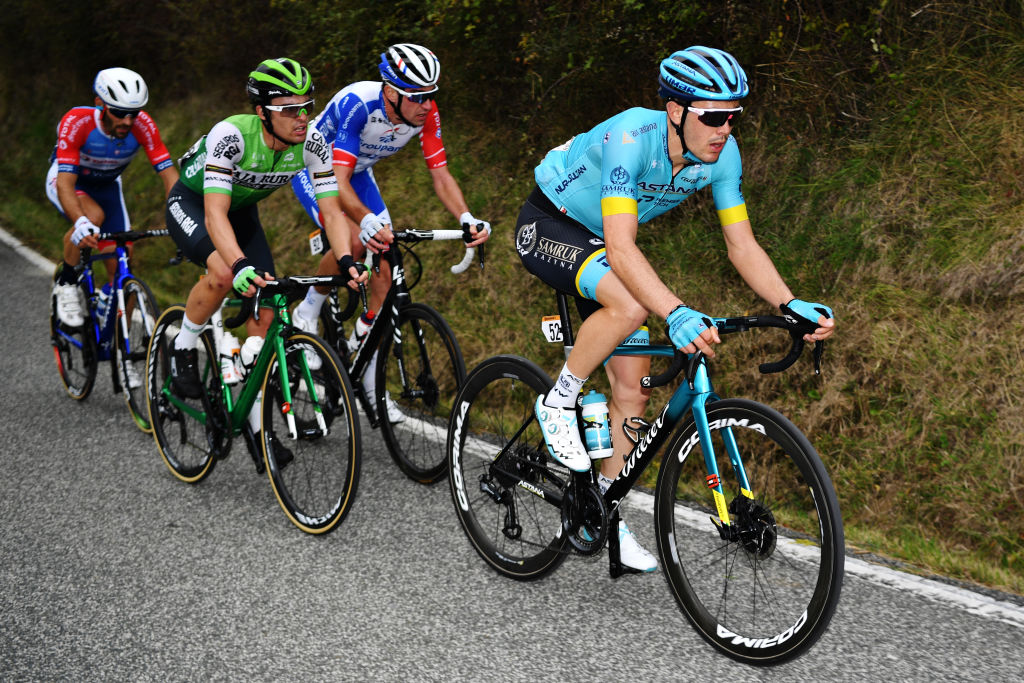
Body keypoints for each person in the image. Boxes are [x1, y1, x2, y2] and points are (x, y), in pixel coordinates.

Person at [514, 46, 836, 573]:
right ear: (676, 111)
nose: (724, 129)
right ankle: (557, 400)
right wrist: (676, 309)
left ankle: (602, 514)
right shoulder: (630, 138)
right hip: (551, 224)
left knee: (632, 393)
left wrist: (789, 301)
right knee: (633, 305)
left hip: (603, 239)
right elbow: (620, 249)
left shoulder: (722, 157)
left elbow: (741, 245)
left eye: (733, 116)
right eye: (713, 116)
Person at [290, 43, 491, 421]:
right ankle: (307, 310)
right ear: (390, 91)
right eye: (417, 97)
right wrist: (364, 220)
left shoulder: (426, 114)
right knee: (352, 238)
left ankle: (365, 367)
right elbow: (339, 181)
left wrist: (466, 217)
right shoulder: (359, 105)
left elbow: (441, 175)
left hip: (358, 172)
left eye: (432, 95)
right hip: (317, 168)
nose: (426, 105)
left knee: (385, 265)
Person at [165, 57, 366, 403]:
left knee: (267, 296)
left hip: (241, 210)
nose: (301, 117)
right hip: (193, 203)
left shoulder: (313, 143)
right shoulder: (231, 136)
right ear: (262, 112)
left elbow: (332, 213)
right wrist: (240, 264)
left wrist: (346, 259)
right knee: (227, 273)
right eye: (289, 110)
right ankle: (182, 346)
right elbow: (215, 215)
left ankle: (256, 418)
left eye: (306, 107)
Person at [48, 68, 178, 330]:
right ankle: (67, 283)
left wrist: (182, 218)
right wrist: (81, 222)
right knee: (92, 219)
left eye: (134, 114)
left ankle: (120, 347)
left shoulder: (143, 125)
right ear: (100, 103)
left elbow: (169, 177)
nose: (128, 122)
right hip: (69, 181)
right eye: (119, 113)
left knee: (123, 259)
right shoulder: (78, 121)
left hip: (107, 186)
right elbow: (65, 183)